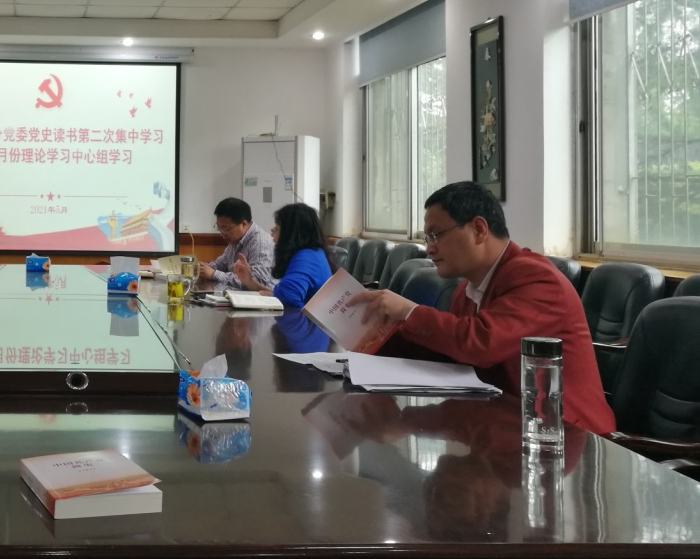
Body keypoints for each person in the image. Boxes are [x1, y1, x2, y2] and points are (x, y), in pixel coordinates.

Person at [348, 181, 615, 435]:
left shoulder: (536, 278)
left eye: (436, 235)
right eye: (427, 238)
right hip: (505, 425)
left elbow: (482, 344)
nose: (429, 249)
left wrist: (409, 311)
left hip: (566, 435)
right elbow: (452, 357)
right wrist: (375, 335)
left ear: (478, 229)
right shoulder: (466, 289)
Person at [235, 202, 334, 351]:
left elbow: (288, 296)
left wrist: (276, 293)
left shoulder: (307, 257)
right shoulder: (311, 253)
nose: (273, 238)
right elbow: (285, 295)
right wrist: (250, 281)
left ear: (290, 234)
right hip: (305, 338)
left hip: (305, 346)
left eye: (276, 230)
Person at [196, 197, 273, 291]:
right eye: (219, 228)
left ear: (243, 224)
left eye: (226, 229)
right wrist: (202, 268)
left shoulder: (260, 243)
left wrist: (213, 274)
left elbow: (258, 281)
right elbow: (220, 264)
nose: (222, 233)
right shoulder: (235, 240)